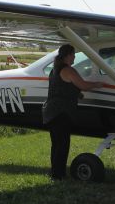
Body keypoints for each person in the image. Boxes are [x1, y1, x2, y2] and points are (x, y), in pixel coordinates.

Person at [42, 44, 102, 180]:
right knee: (62, 144)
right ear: (68, 55)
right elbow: (83, 86)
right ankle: (58, 175)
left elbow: (63, 87)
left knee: (56, 144)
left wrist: (77, 94)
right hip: (61, 112)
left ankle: (56, 173)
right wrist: (97, 85)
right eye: (73, 54)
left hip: (51, 112)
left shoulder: (55, 70)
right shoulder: (68, 70)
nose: (75, 56)